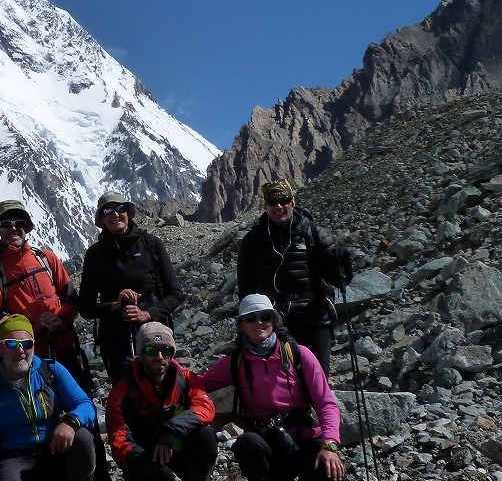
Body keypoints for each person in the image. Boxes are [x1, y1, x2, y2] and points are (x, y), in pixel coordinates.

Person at [198, 294, 345, 481]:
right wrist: (168, 369)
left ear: (274, 321)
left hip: (304, 438)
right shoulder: (235, 362)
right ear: (241, 325)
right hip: (265, 442)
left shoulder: (300, 354)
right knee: (246, 443)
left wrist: (330, 445)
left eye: (265, 316)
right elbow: (200, 383)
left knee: (327, 465)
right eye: (251, 318)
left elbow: (326, 404)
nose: (259, 322)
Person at [237, 180, 354, 373]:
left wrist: (340, 260)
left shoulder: (313, 233)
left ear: (293, 202)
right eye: (273, 202)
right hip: (275, 324)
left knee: (318, 380)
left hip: (315, 320)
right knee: (285, 385)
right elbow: (246, 288)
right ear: (265, 206)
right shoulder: (253, 241)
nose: (279, 206)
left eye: (284, 200)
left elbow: (337, 280)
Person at [0, 314, 97, 481]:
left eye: (27, 344)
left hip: (54, 446)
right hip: (15, 458)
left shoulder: (51, 370)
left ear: (34, 346)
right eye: (11, 344)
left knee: (82, 438)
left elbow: (86, 405)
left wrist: (70, 422)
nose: (20, 350)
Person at [0, 200, 89, 390]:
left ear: (26, 228)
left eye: (19, 223)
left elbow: (71, 298)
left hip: (65, 347)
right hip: (28, 357)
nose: (13, 228)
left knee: (80, 401)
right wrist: (32, 329)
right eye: (6, 224)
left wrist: (61, 320)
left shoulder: (46, 258)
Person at [78, 192, 184, 382]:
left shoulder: (151, 245)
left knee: (159, 387)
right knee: (126, 394)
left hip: (154, 334)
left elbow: (175, 293)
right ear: (101, 219)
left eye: (120, 209)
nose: (115, 215)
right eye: (107, 211)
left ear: (128, 212)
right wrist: (114, 305)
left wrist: (147, 313)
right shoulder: (95, 254)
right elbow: (85, 307)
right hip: (114, 338)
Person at [104, 323, 217, 481]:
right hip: (148, 463)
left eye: (166, 350)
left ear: (172, 354)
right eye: (151, 350)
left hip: (182, 455)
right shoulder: (121, 391)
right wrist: (157, 471)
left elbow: (205, 408)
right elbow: (119, 442)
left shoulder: (186, 379)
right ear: (141, 354)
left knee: (206, 435)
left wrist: (171, 430)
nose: (159, 357)